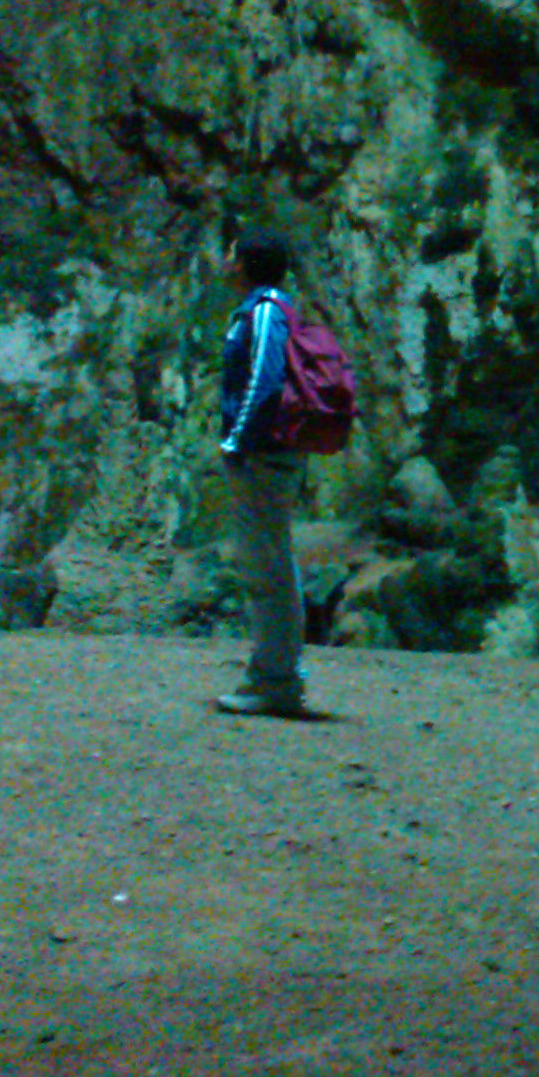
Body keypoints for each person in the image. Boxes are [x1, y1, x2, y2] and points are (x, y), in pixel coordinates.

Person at [213, 231, 311, 718]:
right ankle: (277, 673)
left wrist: (238, 441)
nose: (225, 260)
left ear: (248, 263)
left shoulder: (267, 309)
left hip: (265, 456)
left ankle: (275, 681)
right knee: (271, 563)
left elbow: (265, 379)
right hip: (269, 454)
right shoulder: (263, 307)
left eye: (232, 252)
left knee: (265, 568)